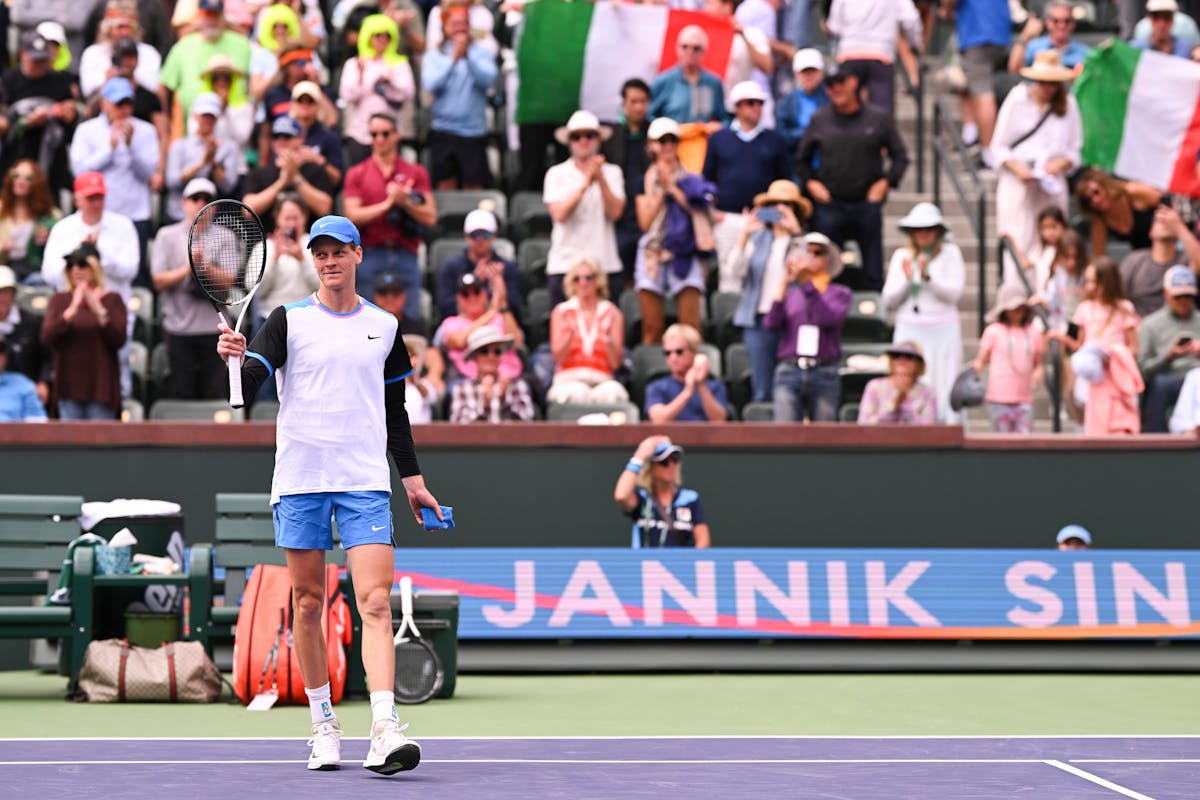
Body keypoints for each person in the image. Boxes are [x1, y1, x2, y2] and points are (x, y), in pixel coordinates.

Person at [215, 214, 443, 775]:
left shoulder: (385, 326)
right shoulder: (286, 320)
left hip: (364, 481)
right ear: (313, 260)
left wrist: (412, 480)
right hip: (301, 481)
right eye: (320, 253)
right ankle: (323, 726)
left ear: (358, 254)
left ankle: (384, 729)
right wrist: (235, 361)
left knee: (374, 602)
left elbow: (395, 411)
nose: (329, 261)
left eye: (339, 251)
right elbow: (248, 387)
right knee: (309, 604)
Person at [797, 65, 908, 292]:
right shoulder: (820, 119)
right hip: (830, 205)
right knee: (824, 273)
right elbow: (800, 160)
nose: (835, 88)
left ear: (854, 82)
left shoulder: (878, 118)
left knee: (873, 271)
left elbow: (900, 157)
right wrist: (811, 183)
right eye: (830, 84)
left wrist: (887, 182)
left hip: (866, 204)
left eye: (840, 82)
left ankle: (873, 310)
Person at [992, 51, 1082, 282]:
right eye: (1043, 82)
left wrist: (1058, 165)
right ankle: (1017, 292)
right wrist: (1018, 169)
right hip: (1018, 180)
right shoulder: (1017, 98)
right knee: (1017, 237)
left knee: (1052, 240)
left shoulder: (1069, 104)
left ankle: (1049, 292)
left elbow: (1075, 152)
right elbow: (998, 147)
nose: (1047, 88)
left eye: (1052, 83)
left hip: (1051, 184)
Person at [342, 111, 436, 320]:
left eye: (385, 133)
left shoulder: (415, 172)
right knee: (366, 322)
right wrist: (388, 205)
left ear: (396, 135)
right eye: (374, 134)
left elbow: (430, 217)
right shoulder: (357, 173)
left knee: (409, 321)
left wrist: (406, 203)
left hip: (405, 252)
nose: (379, 139)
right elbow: (352, 216)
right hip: (370, 254)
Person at [702, 81, 793, 295]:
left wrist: (774, 214)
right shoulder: (719, 139)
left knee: (764, 276)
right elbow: (707, 180)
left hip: (765, 218)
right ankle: (729, 317)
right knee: (730, 277)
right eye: (751, 103)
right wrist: (713, 212)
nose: (756, 108)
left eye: (760, 103)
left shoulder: (774, 139)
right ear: (737, 107)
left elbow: (784, 180)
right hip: (728, 218)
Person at [881, 202, 964, 424]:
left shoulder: (951, 254)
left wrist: (928, 278)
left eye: (929, 229)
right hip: (910, 329)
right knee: (908, 377)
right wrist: (908, 280)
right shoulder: (901, 256)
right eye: (918, 229)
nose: (924, 234)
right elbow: (889, 300)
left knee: (946, 382)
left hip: (944, 328)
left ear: (938, 232)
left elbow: (954, 294)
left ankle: (946, 427)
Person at [635, 117, 715, 345]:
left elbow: (700, 212)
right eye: (663, 141)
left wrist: (672, 188)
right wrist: (662, 192)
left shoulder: (692, 179)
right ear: (652, 145)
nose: (668, 146)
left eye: (673, 140)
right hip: (653, 250)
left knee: (691, 329)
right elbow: (645, 223)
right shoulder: (643, 180)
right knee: (652, 329)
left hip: (685, 249)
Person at [731, 181, 811, 403]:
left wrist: (796, 233)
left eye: (787, 204)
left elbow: (807, 273)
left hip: (792, 320)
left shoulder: (804, 241)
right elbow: (734, 272)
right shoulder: (756, 239)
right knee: (763, 385)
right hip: (759, 319)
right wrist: (744, 235)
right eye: (775, 203)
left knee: (793, 384)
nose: (781, 208)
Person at [150, 178, 228, 400]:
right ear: (184, 202)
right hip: (178, 329)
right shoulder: (166, 235)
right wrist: (188, 268)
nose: (201, 204)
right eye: (195, 198)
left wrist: (204, 267)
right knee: (180, 394)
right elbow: (158, 281)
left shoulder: (226, 236)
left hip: (215, 330)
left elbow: (230, 282)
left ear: (214, 207)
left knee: (215, 395)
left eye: (207, 199)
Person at [764, 232, 851, 422]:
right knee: (784, 433)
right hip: (790, 369)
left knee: (824, 434)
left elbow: (828, 319)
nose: (810, 256)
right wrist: (783, 285)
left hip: (824, 371)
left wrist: (807, 284)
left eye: (817, 252)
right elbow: (771, 323)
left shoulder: (840, 293)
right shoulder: (791, 294)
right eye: (806, 251)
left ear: (828, 260)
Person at [1052, 257, 1144, 435]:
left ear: (1107, 282)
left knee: (1119, 424)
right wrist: (1062, 338)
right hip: (1094, 378)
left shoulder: (1125, 308)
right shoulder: (1084, 308)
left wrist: (1114, 354)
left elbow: (1134, 348)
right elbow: (1080, 345)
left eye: (1094, 281)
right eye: (1087, 281)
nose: (1089, 286)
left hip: (1116, 376)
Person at [543, 110, 626, 304]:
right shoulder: (556, 174)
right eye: (576, 136)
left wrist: (600, 179)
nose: (583, 141)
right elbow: (560, 215)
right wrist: (586, 182)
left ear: (598, 140)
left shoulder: (613, 172)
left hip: (605, 263)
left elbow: (615, 213)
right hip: (565, 265)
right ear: (569, 141)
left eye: (589, 135)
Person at [41, 244, 128, 420]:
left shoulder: (112, 300)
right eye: (70, 265)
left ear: (95, 268)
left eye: (82, 264)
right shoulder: (60, 300)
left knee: (101, 437)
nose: (76, 270)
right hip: (68, 387)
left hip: (101, 387)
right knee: (70, 438)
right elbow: (47, 337)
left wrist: (99, 310)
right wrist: (71, 311)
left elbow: (119, 339)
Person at [421, 3, 497, 190]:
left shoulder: (481, 53)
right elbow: (430, 84)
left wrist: (468, 57)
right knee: (445, 187)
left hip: (473, 132)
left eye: (463, 23)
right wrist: (452, 60)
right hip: (444, 131)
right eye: (454, 24)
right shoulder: (435, 55)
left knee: (475, 187)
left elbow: (489, 80)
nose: (459, 28)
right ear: (445, 27)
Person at [1, 30, 80, 196]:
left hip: (52, 160)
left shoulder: (60, 80)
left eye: (43, 59)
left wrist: (65, 112)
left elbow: (71, 116)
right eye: (35, 60)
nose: (40, 64)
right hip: (18, 156)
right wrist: (27, 121)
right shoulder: (9, 80)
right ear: (22, 54)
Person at [158, 0, 251, 138]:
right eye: (207, 15)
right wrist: (165, 116)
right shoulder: (183, 45)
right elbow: (163, 85)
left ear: (223, 17)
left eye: (215, 15)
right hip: (194, 125)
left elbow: (253, 83)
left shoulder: (242, 44)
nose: (211, 20)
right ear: (198, 17)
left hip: (235, 123)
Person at [546, 257, 628, 406]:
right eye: (577, 278)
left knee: (613, 392)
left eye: (589, 277)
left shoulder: (613, 313)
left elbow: (616, 364)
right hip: (568, 380)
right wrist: (569, 334)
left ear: (598, 281)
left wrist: (608, 338)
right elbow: (557, 358)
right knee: (578, 393)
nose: (583, 283)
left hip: (602, 380)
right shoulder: (561, 312)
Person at [337, 13, 415, 168]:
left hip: (389, 133)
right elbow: (346, 95)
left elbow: (408, 93)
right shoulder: (354, 63)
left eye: (387, 35)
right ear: (368, 36)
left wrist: (390, 83)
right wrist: (361, 77)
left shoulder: (399, 64)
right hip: (360, 133)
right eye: (378, 35)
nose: (383, 39)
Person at [826, 0, 923, 118]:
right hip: (881, 56)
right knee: (882, 116)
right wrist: (915, 43)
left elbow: (834, 26)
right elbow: (911, 19)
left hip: (849, 55)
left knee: (845, 115)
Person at [613, 436, 711, 549]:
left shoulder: (690, 498)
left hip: (681, 560)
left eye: (675, 459)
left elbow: (703, 541)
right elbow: (621, 495)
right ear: (650, 467)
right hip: (645, 560)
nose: (671, 465)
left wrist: (690, 560)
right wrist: (640, 456)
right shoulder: (642, 498)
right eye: (664, 462)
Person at [941, 0, 1009, 158]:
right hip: (999, 32)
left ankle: (989, 154)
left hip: (977, 33)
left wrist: (946, 9)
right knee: (968, 81)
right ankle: (970, 135)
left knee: (983, 92)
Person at [974, 284, 1045, 434]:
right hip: (998, 399)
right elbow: (981, 360)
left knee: (1024, 442)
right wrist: (972, 373)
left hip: (1024, 398)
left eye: (1021, 306)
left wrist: (1039, 371)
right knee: (1001, 442)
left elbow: (1038, 362)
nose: (1018, 310)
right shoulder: (993, 331)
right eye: (1014, 307)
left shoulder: (1033, 332)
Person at [164, 92, 244, 223]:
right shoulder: (179, 146)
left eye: (211, 116)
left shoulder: (228, 147)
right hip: (178, 217)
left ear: (217, 117)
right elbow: (172, 182)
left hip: (211, 221)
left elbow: (228, 186)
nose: (207, 120)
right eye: (204, 115)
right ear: (195, 115)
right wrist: (201, 164)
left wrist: (212, 162)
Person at [241, 116, 335, 228]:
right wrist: (281, 183)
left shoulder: (314, 171)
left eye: (287, 136)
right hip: (269, 237)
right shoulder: (259, 174)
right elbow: (247, 210)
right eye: (276, 137)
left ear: (300, 139)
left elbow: (325, 208)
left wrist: (296, 178)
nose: (281, 142)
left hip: (308, 237)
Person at [1137, 265, 1200, 432]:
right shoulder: (1150, 324)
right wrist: (1168, 356)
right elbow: (1142, 370)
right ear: (1166, 293)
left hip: (1197, 378)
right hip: (1168, 379)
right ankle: (1156, 442)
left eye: (1188, 296)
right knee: (1160, 384)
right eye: (1178, 296)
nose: (1183, 301)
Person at [602, 78, 652, 285]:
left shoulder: (655, 135)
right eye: (634, 101)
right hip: (620, 215)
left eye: (643, 101)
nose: (639, 107)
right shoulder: (611, 136)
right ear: (624, 103)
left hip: (648, 212)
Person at [434, 272, 523, 383]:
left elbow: (516, 342)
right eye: (465, 294)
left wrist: (502, 302)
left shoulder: (501, 317)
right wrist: (492, 312)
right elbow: (460, 341)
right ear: (458, 299)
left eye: (477, 292)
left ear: (485, 294)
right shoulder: (451, 322)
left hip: (510, 379)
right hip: (470, 382)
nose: (472, 298)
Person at [435, 209, 521, 321]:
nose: (480, 239)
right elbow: (445, 308)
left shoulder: (507, 268)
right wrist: (473, 283)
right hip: (460, 325)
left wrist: (499, 289)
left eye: (485, 234)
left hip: (498, 324)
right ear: (466, 236)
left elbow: (515, 309)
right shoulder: (450, 267)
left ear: (494, 235)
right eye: (474, 234)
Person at [1118, 206, 1200, 318]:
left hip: (1179, 323)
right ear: (1150, 232)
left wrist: (1179, 228)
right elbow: (1116, 297)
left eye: (1170, 221)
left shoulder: (1187, 259)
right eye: (1159, 220)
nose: (1165, 223)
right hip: (1139, 323)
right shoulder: (1135, 260)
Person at [645, 323, 729, 422]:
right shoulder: (656, 387)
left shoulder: (715, 387)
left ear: (693, 352)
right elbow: (658, 420)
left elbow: (719, 420)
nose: (673, 358)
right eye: (667, 353)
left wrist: (701, 385)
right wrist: (687, 392)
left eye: (679, 352)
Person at [448, 327, 535, 422]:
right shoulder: (461, 389)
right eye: (484, 351)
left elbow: (527, 422)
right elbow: (458, 425)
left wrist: (504, 400)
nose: (491, 356)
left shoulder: (517, 385)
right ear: (475, 357)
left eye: (497, 351)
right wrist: (484, 406)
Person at [1073, 167, 1164, 257]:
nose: (1095, 200)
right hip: (1145, 256)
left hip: (1167, 244)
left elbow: (1166, 201)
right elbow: (1098, 255)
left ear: (1105, 186)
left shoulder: (1131, 192)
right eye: (1089, 200)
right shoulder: (1100, 221)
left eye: (1096, 192)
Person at [78, 1, 162, 97]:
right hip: (104, 102)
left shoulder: (149, 53)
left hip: (140, 103)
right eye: (120, 27)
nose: (125, 32)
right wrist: (108, 78)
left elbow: (152, 86)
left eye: (129, 27)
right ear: (108, 29)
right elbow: (87, 90)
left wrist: (127, 75)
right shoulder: (92, 53)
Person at [649, 25, 727, 127]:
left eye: (696, 48)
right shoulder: (663, 81)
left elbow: (725, 119)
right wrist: (667, 129)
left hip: (704, 137)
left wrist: (717, 127)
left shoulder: (713, 83)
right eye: (685, 47)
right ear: (677, 48)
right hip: (672, 136)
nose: (690, 52)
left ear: (704, 52)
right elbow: (648, 116)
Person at [0, 160, 62, 284]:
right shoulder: (2, 210)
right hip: (6, 269)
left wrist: (49, 239)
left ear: (37, 183)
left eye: (28, 178)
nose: (20, 181)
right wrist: (3, 247)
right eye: (16, 176)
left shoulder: (51, 214)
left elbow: (60, 248)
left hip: (36, 270)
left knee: (38, 281)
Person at [0, 266, 50, 406]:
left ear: (14, 294)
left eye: (5, 292)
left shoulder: (33, 322)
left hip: (28, 393)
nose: (1, 297)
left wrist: (43, 382)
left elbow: (47, 356)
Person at [856, 340, 938, 424]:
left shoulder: (927, 391)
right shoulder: (875, 387)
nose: (901, 360)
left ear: (919, 363)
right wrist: (893, 406)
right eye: (896, 355)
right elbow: (864, 424)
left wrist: (907, 407)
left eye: (908, 356)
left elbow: (929, 425)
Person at [1007, 0, 1091, 76]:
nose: (1061, 26)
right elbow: (1014, 70)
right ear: (1047, 22)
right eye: (1055, 21)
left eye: (1067, 21)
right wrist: (1025, 36)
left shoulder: (1086, 53)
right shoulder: (1034, 47)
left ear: (1073, 23)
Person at [288, 81, 345, 189]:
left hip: (320, 191)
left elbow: (338, 179)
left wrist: (317, 159)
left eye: (310, 101)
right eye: (300, 100)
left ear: (318, 105)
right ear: (293, 104)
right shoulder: (282, 135)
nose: (305, 105)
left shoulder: (329, 137)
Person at [776, 49, 830, 153]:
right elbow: (782, 136)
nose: (809, 76)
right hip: (798, 157)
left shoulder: (832, 98)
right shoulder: (786, 103)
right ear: (796, 74)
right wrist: (810, 133)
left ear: (821, 72)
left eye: (813, 71)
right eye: (804, 72)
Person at [1011, 207, 1066, 296]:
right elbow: (1024, 264)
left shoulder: (1068, 248)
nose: (1050, 232)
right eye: (1045, 228)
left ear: (1063, 225)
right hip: (1042, 296)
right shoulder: (1041, 250)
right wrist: (1011, 241)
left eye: (1053, 226)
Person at [0, 335, 48, 422]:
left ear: (6, 357)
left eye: (1, 352)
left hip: (14, 430)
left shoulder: (23, 384)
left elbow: (38, 421)